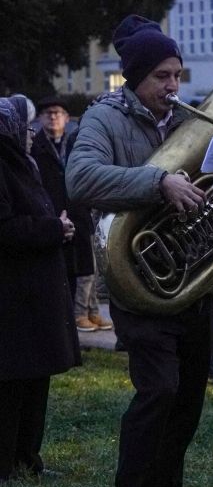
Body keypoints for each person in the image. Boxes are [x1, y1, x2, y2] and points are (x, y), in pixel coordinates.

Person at [66, 14, 213, 487]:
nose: (173, 85)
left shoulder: (184, 120)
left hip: (188, 283)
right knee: (158, 395)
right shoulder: (104, 120)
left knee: (186, 406)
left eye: (177, 74)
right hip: (137, 284)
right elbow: (80, 178)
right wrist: (159, 181)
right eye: (161, 76)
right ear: (135, 78)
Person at [0, 97, 80, 482]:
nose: (32, 133)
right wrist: (53, 229)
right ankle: (8, 466)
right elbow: (5, 229)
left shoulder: (20, 161)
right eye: (25, 125)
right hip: (14, 297)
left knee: (34, 381)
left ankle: (27, 461)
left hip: (32, 294)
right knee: (12, 387)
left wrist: (56, 225)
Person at [32, 96, 111, 332]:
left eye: (58, 113)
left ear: (67, 118)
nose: (53, 117)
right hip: (55, 213)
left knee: (90, 264)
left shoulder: (75, 142)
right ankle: (79, 315)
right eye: (48, 113)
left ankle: (93, 311)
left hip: (79, 210)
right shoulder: (37, 146)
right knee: (73, 267)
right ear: (40, 118)